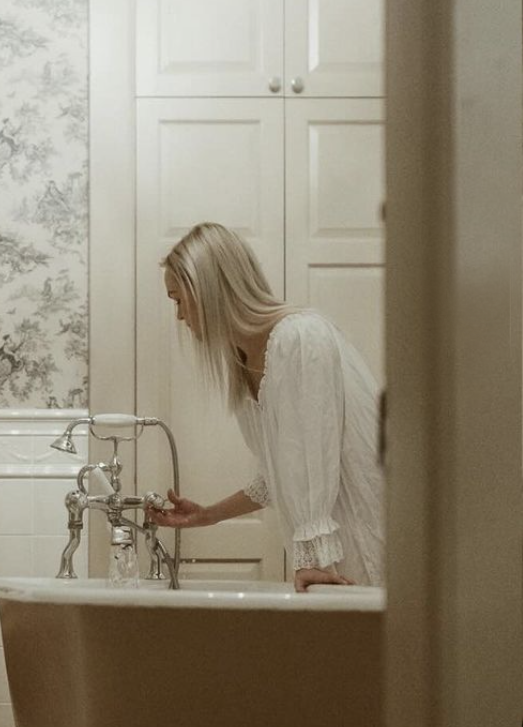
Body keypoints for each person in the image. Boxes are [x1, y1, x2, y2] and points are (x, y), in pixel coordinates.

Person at [151, 221, 385, 592]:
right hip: (331, 554)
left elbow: (314, 463)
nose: (179, 316)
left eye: (179, 299)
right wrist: (207, 516)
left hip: (363, 540)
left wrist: (315, 561)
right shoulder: (244, 362)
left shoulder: (300, 338)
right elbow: (280, 479)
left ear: (209, 290)